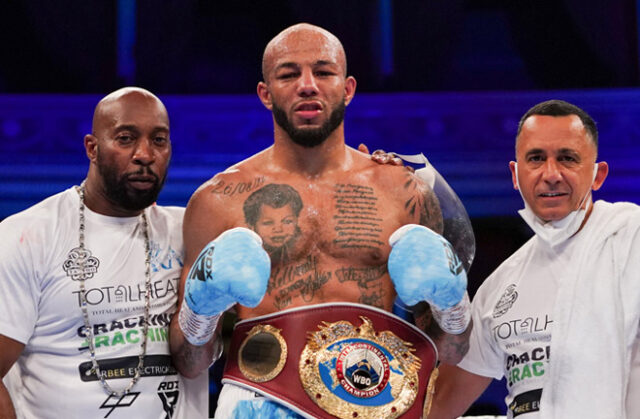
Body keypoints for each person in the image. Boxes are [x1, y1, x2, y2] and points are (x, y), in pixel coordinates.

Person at [169, 23, 472, 418]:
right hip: (259, 403)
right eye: (289, 74)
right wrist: (200, 312)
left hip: (377, 403)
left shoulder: (403, 191)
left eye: (323, 72)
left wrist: (453, 307)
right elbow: (190, 362)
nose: (307, 85)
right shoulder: (217, 201)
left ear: (347, 89)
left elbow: (453, 349)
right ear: (266, 93)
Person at [0, 87, 208, 419]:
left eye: (159, 140)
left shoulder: (189, 233)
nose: (144, 154)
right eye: (126, 139)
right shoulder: (28, 235)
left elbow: (200, 360)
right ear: (92, 148)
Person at [428, 99, 640, 419]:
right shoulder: (500, 288)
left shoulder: (631, 238)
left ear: (598, 175)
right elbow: (438, 404)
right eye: (536, 158)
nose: (551, 174)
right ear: (516, 174)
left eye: (567, 159)